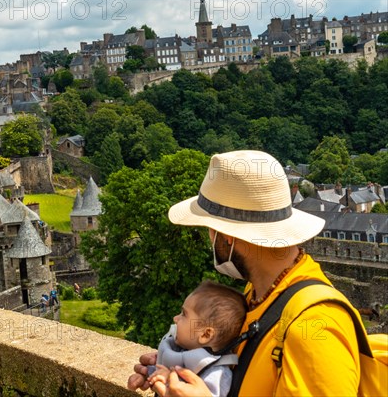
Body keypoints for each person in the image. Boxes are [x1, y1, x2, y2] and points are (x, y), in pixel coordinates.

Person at [130, 150, 360, 396]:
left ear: (227, 236)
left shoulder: (315, 328)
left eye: (210, 229)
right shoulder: (262, 291)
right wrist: (188, 364)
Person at [128, 281, 247, 397]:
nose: (175, 318)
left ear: (205, 335)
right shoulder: (182, 350)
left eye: (184, 314)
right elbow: (161, 369)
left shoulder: (217, 374)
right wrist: (145, 375)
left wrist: (168, 379)